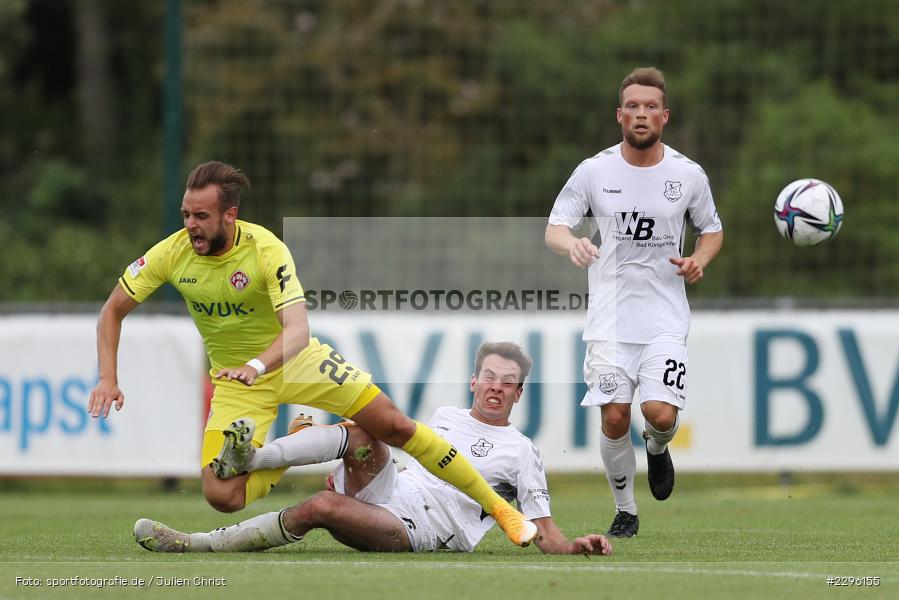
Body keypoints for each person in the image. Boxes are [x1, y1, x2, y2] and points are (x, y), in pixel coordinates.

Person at [88, 160, 536, 547]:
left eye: (201, 216)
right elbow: (112, 312)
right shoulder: (171, 253)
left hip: (294, 362)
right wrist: (108, 378)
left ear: (230, 215)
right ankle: (288, 452)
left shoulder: (265, 249)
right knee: (222, 496)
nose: (190, 225)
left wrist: (257, 365)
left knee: (395, 426)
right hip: (236, 381)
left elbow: (298, 331)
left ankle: (500, 509)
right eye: (186, 214)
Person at [133, 342, 613, 556]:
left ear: (519, 393)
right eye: (489, 377)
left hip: (424, 529)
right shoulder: (446, 416)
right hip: (394, 489)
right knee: (365, 427)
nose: (496, 387)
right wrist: (358, 470)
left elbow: (542, 528)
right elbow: (409, 463)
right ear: (474, 381)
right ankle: (254, 459)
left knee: (321, 506)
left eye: (508, 382)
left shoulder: (523, 451)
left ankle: (199, 543)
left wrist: (572, 545)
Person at [545, 67, 723, 538]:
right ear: (619, 115)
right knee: (615, 416)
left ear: (665, 116)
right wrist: (573, 244)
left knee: (659, 415)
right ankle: (626, 511)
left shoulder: (687, 174)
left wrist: (699, 259)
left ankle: (658, 448)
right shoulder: (594, 171)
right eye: (633, 106)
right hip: (609, 320)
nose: (641, 114)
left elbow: (712, 230)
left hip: (665, 317)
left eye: (650, 107)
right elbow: (555, 227)